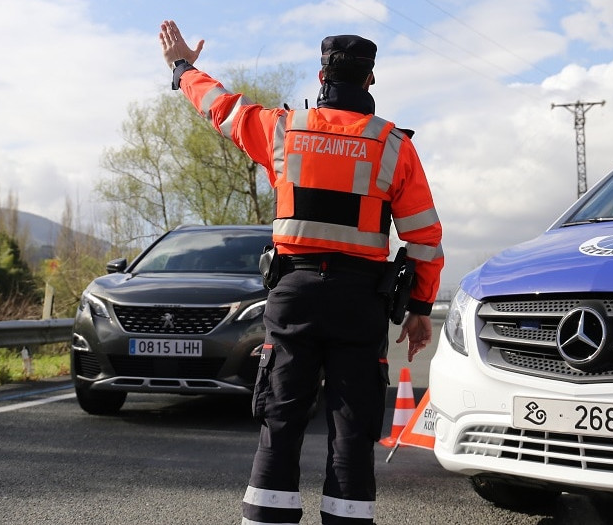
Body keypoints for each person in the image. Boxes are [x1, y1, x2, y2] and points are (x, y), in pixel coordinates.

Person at [160, 19, 444, 525]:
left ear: (320, 75)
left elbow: (221, 108)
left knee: (281, 418)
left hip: (294, 294)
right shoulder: (395, 146)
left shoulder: (284, 130)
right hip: (360, 303)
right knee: (353, 428)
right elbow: (423, 238)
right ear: (370, 81)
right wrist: (420, 309)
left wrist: (183, 68)